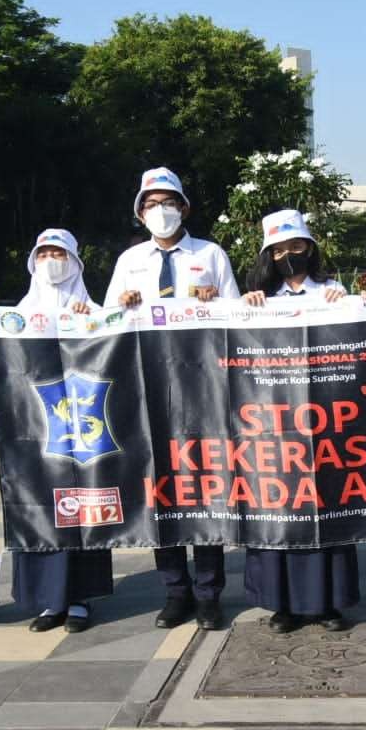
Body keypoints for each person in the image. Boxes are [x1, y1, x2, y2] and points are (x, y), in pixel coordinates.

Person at [104, 167, 240, 630]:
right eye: (151, 204)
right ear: (140, 213)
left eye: (169, 202)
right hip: (148, 390)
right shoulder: (130, 260)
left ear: (184, 207)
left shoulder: (211, 254)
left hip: (201, 390)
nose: (160, 211)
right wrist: (119, 305)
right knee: (160, 490)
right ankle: (175, 591)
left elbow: (238, 319)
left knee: (203, 489)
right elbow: (106, 328)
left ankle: (209, 594)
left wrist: (215, 299)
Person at [0, 229, 115, 633]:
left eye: (60, 252)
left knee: (83, 504)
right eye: (44, 253)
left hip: (83, 428)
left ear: (75, 261)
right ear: (33, 262)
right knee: (40, 507)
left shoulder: (93, 310)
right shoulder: (15, 316)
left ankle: (80, 598)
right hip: (35, 428)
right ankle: (47, 601)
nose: (51, 260)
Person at [239, 209, 358, 632]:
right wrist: (247, 307)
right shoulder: (257, 299)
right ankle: (281, 604)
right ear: (268, 256)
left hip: (325, 417)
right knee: (278, 505)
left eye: (296, 247)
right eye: (278, 250)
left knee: (327, 503)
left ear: (310, 247)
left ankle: (329, 603)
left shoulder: (332, 290)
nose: (288, 255)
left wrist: (342, 305)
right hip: (272, 422)